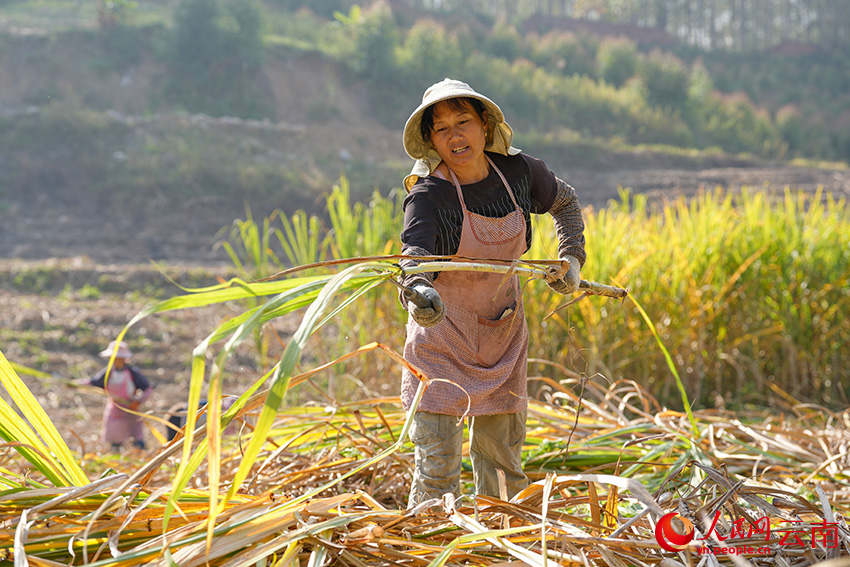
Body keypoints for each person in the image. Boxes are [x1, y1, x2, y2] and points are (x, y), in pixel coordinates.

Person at [398, 78, 587, 507]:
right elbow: (413, 261)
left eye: (463, 121)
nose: (455, 136)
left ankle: (500, 549)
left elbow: (566, 203)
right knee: (437, 473)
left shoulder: (520, 173)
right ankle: (428, 548)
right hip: (442, 344)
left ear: (484, 124)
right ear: (430, 140)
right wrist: (419, 293)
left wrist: (571, 259)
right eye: (441, 129)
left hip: (503, 340)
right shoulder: (430, 195)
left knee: (503, 474)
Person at [85, 340, 153, 452]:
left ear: (123, 359)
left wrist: (138, 402)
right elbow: (92, 383)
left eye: (117, 358)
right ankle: (116, 458)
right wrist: (75, 384)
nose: (115, 361)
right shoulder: (107, 373)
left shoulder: (132, 373)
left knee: (137, 439)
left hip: (131, 409)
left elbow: (148, 388)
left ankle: (143, 458)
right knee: (115, 440)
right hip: (115, 410)